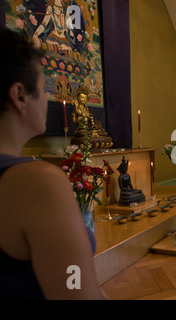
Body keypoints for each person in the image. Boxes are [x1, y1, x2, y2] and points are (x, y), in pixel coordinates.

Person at [0, 28, 107, 299]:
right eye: (44, 86)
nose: (48, 98)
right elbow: (78, 294)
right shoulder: (36, 182)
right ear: (20, 95)